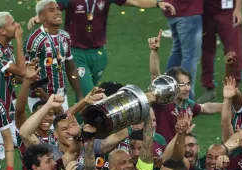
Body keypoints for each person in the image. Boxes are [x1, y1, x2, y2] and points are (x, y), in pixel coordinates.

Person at [27, 0, 175, 98]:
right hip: (77, 54)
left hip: (99, 54)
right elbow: (51, 7)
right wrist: (37, 16)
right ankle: (76, 130)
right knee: (89, 95)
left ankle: (78, 126)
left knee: (89, 96)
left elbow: (134, 1)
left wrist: (158, 2)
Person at [148, 33, 222, 142]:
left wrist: (229, 105)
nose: (187, 89)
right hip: (161, 153)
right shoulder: (162, 100)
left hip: (181, 152)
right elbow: (155, 75)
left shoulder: (187, 104)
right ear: (171, 85)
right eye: (182, 85)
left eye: (188, 84)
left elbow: (206, 108)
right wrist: (154, 51)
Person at [24, 1, 83, 109]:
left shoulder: (65, 36)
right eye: (51, 10)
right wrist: (49, 102)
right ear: (41, 17)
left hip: (61, 97)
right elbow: (30, 78)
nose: (58, 12)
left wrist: (80, 98)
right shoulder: (34, 41)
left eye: (57, 9)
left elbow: (70, 69)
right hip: (40, 100)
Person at [0, 12, 26, 145]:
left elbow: (14, 77)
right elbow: (21, 70)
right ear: (2, 30)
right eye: (12, 24)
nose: (17, 26)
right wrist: (19, 39)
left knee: (21, 145)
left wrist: (28, 74)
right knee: (4, 150)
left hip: (9, 102)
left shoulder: (7, 48)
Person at [198, 0, 242, 103]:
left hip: (227, 10)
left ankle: (234, 88)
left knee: (233, 51)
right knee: (206, 52)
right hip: (205, 12)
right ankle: (209, 88)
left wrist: (238, 9)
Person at [161, 0, 202, 100]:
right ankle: (187, 99)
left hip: (172, 8)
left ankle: (166, 91)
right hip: (188, 9)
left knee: (178, 51)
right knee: (190, 56)